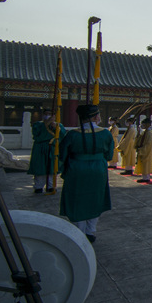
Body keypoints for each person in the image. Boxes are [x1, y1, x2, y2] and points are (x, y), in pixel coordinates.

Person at [58, 104, 113, 243]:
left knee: (77, 198)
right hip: (98, 169)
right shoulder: (105, 133)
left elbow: (62, 154)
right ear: (95, 117)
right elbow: (109, 154)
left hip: (77, 168)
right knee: (96, 197)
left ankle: (79, 229)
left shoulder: (72, 134)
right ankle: (91, 231)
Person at [27, 108, 64, 193]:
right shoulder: (38, 125)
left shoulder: (58, 125)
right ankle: (38, 186)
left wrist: (56, 128)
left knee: (52, 168)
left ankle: (51, 186)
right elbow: (37, 135)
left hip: (52, 148)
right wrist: (47, 123)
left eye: (50, 114)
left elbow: (62, 136)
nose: (47, 115)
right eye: (46, 113)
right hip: (40, 148)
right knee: (40, 168)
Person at [134, 116, 152, 183]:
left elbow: (148, 144)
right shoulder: (144, 132)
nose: (142, 125)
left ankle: (146, 178)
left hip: (146, 151)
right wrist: (138, 133)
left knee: (146, 164)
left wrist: (142, 150)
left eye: (144, 124)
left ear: (148, 124)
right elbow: (139, 139)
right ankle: (144, 177)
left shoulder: (150, 133)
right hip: (142, 149)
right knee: (143, 164)